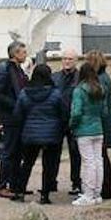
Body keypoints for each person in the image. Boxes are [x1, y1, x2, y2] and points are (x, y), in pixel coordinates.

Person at [12, 64, 67, 203]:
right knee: (49, 166)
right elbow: (64, 113)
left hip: (30, 133)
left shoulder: (25, 93)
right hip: (52, 134)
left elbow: (18, 114)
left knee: (27, 164)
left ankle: (20, 192)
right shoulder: (55, 93)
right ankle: (45, 195)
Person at [0, 40, 30, 199]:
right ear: (15, 53)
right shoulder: (5, 69)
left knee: (18, 152)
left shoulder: (18, 69)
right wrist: (15, 105)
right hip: (11, 116)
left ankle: (15, 184)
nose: (25, 55)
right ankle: (2, 186)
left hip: (19, 117)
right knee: (9, 151)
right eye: (23, 52)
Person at [85, 49, 111, 199]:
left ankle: (104, 189)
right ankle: (104, 188)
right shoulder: (104, 77)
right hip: (106, 122)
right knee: (101, 156)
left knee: (100, 157)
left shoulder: (100, 80)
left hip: (101, 123)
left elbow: (101, 105)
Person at [70, 60, 108, 206]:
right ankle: (97, 193)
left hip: (84, 130)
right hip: (98, 129)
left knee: (88, 162)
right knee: (98, 161)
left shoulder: (79, 91)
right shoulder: (101, 89)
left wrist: (72, 125)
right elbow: (104, 112)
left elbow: (77, 112)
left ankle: (88, 194)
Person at [53, 49, 83, 195]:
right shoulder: (55, 77)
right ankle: (51, 181)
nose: (67, 61)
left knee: (75, 153)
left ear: (76, 60)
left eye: (70, 59)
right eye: (65, 58)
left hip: (74, 120)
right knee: (53, 153)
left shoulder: (81, 77)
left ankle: (76, 182)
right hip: (57, 120)